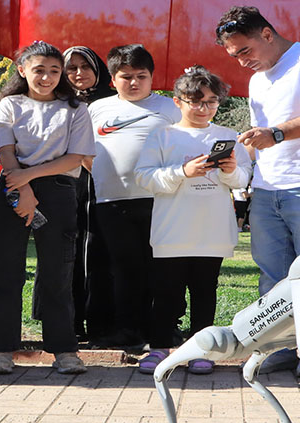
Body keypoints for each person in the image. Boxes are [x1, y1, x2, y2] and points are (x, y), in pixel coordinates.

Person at [215, 5, 300, 378]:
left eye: (245, 51)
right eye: (234, 56)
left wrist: (277, 133)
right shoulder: (257, 80)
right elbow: (261, 137)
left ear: (267, 34)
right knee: (273, 274)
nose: (242, 62)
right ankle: (277, 344)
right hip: (266, 187)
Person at [0, 41, 96, 375]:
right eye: (38, 70)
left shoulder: (76, 109)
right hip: (12, 189)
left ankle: (64, 350)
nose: (46, 77)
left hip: (58, 190)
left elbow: (76, 157)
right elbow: (5, 151)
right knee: (5, 270)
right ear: (22, 70)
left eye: (54, 71)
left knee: (57, 273)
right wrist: (22, 189)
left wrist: (27, 178)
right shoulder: (9, 105)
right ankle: (1, 349)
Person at [134, 66, 251, 374]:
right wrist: (182, 172)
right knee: (166, 293)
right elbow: (144, 177)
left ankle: (203, 348)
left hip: (212, 230)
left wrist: (229, 170)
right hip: (171, 230)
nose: (203, 108)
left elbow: (242, 180)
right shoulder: (162, 136)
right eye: (195, 101)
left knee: (204, 291)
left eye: (211, 101)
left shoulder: (227, 136)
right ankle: (159, 347)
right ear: (177, 101)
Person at [86, 44, 181, 349]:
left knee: (162, 268)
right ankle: (128, 330)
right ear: (113, 79)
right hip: (111, 202)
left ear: (153, 77)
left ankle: (164, 328)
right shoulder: (97, 109)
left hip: (162, 200)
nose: (134, 82)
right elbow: (85, 152)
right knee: (125, 269)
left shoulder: (170, 108)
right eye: (126, 76)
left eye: (142, 76)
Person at [56, 45, 116, 341]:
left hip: (106, 185)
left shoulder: (114, 102)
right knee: (70, 251)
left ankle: (103, 321)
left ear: (98, 70)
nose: (78, 73)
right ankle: (70, 321)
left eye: (85, 66)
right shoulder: (57, 102)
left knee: (102, 251)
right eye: (71, 68)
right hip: (68, 185)